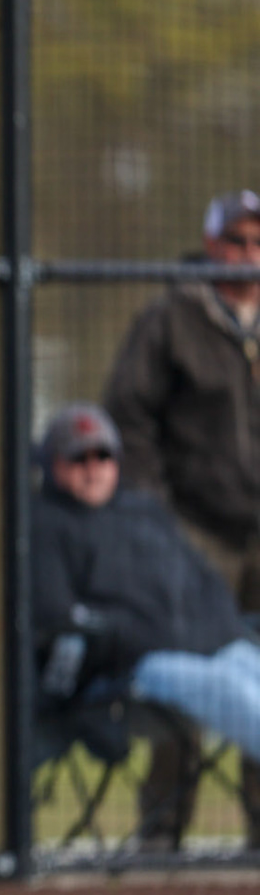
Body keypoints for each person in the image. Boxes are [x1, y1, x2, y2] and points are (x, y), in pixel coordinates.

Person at [103, 190, 260, 843]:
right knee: (190, 679)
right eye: (236, 242)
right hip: (197, 535)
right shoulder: (171, 319)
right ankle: (162, 833)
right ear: (211, 243)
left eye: (257, 244)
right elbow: (128, 419)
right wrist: (157, 519)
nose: (247, 256)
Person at [32, 404, 260, 782]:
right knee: (227, 687)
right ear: (54, 466)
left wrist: (223, 630)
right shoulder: (46, 525)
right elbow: (58, 617)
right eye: (78, 458)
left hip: (209, 648)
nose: (93, 468)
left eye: (102, 455)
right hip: (136, 673)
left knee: (244, 663)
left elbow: (207, 582)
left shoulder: (145, 512)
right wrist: (129, 635)